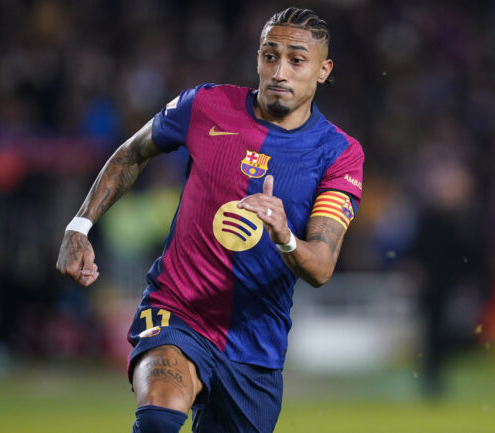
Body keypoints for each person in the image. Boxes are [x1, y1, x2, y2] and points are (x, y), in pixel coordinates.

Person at [56, 7, 363, 433]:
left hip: (255, 344)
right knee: (159, 418)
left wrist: (284, 235)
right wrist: (79, 226)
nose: (279, 71)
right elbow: (132, 151)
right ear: (257, 58)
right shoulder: (205, 104)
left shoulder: (338, 154)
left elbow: (322, 265)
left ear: (323, 69)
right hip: (178, 310)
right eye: (269, 55)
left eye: (296, 60)